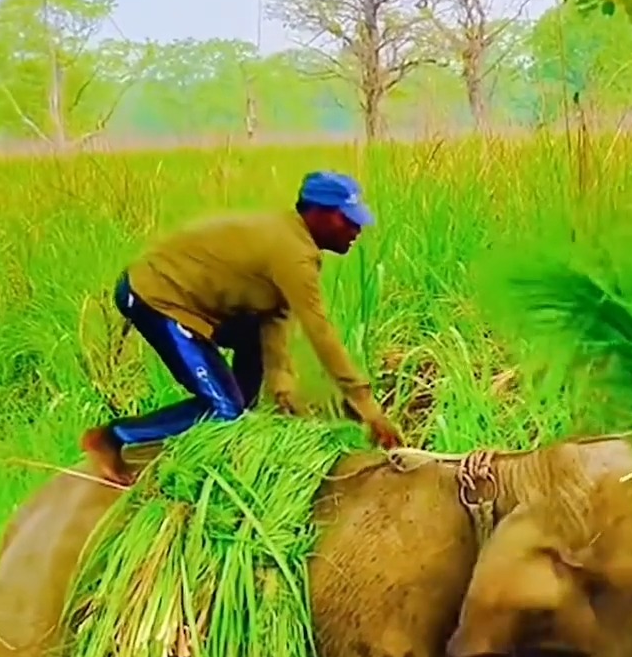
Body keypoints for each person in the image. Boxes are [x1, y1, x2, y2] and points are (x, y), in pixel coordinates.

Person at [80, 170, 403, 487]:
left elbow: (275, 315)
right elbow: (320, 331)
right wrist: (367, 406)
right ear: (318, 213)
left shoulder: (292, 239)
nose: (356, 228)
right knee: (222, 410)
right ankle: (112, 437)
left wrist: (281, 382)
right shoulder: (292, 252)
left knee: (251, 347)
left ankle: (239, 422)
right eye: (347, 219)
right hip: (158, 297)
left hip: (197, 300)